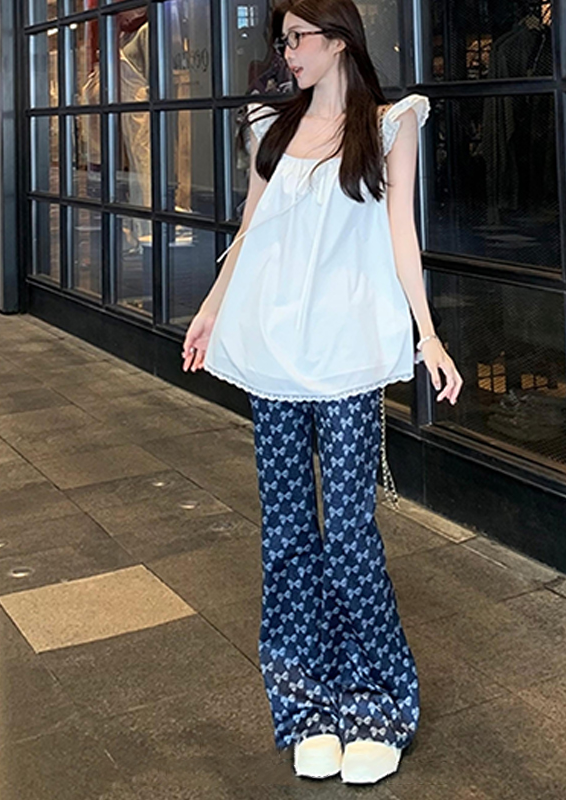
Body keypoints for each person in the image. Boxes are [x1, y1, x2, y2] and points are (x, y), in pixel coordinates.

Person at [181, 0, 463, 785]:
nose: (288, 54)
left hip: (345, 357)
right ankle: (306, 705)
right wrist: (210, 309)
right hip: (273, 350)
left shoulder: (390, 124)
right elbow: (250, 229)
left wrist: (428, 334)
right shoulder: (272, 126)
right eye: (283, 42)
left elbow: (401, 234)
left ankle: (374, 703)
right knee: (286, 537)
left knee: (348, 535)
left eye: (298, 39)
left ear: (338, 40)